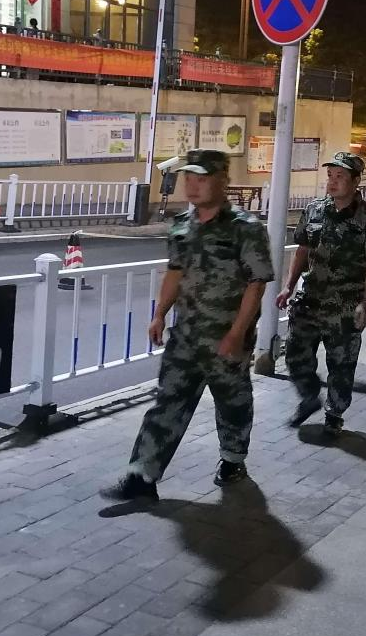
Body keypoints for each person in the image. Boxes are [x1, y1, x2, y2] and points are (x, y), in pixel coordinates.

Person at [101, 150, 274, 503]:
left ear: (222, 181)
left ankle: (233, 459)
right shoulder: (182, 224)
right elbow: (175, 273)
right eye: (189, 178)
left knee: (232, 402)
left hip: (227, 337)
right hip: (187, 335)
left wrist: (237, 333)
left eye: (202, 179)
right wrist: (159, 314)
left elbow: (256, 284)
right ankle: (142, 476)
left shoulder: (246, 228)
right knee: (168, 401)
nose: (193, 186)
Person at [280, 152, 366, 435]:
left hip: (345, 306)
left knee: (341, 364)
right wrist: (288, 286)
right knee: (295, 354)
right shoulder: (314, 210)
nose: (332, 181)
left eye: (340, 176)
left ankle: (334, 414)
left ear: (356, 181)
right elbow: (302, 250)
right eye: (330, 176)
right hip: (310, 300)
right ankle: (309, 396)